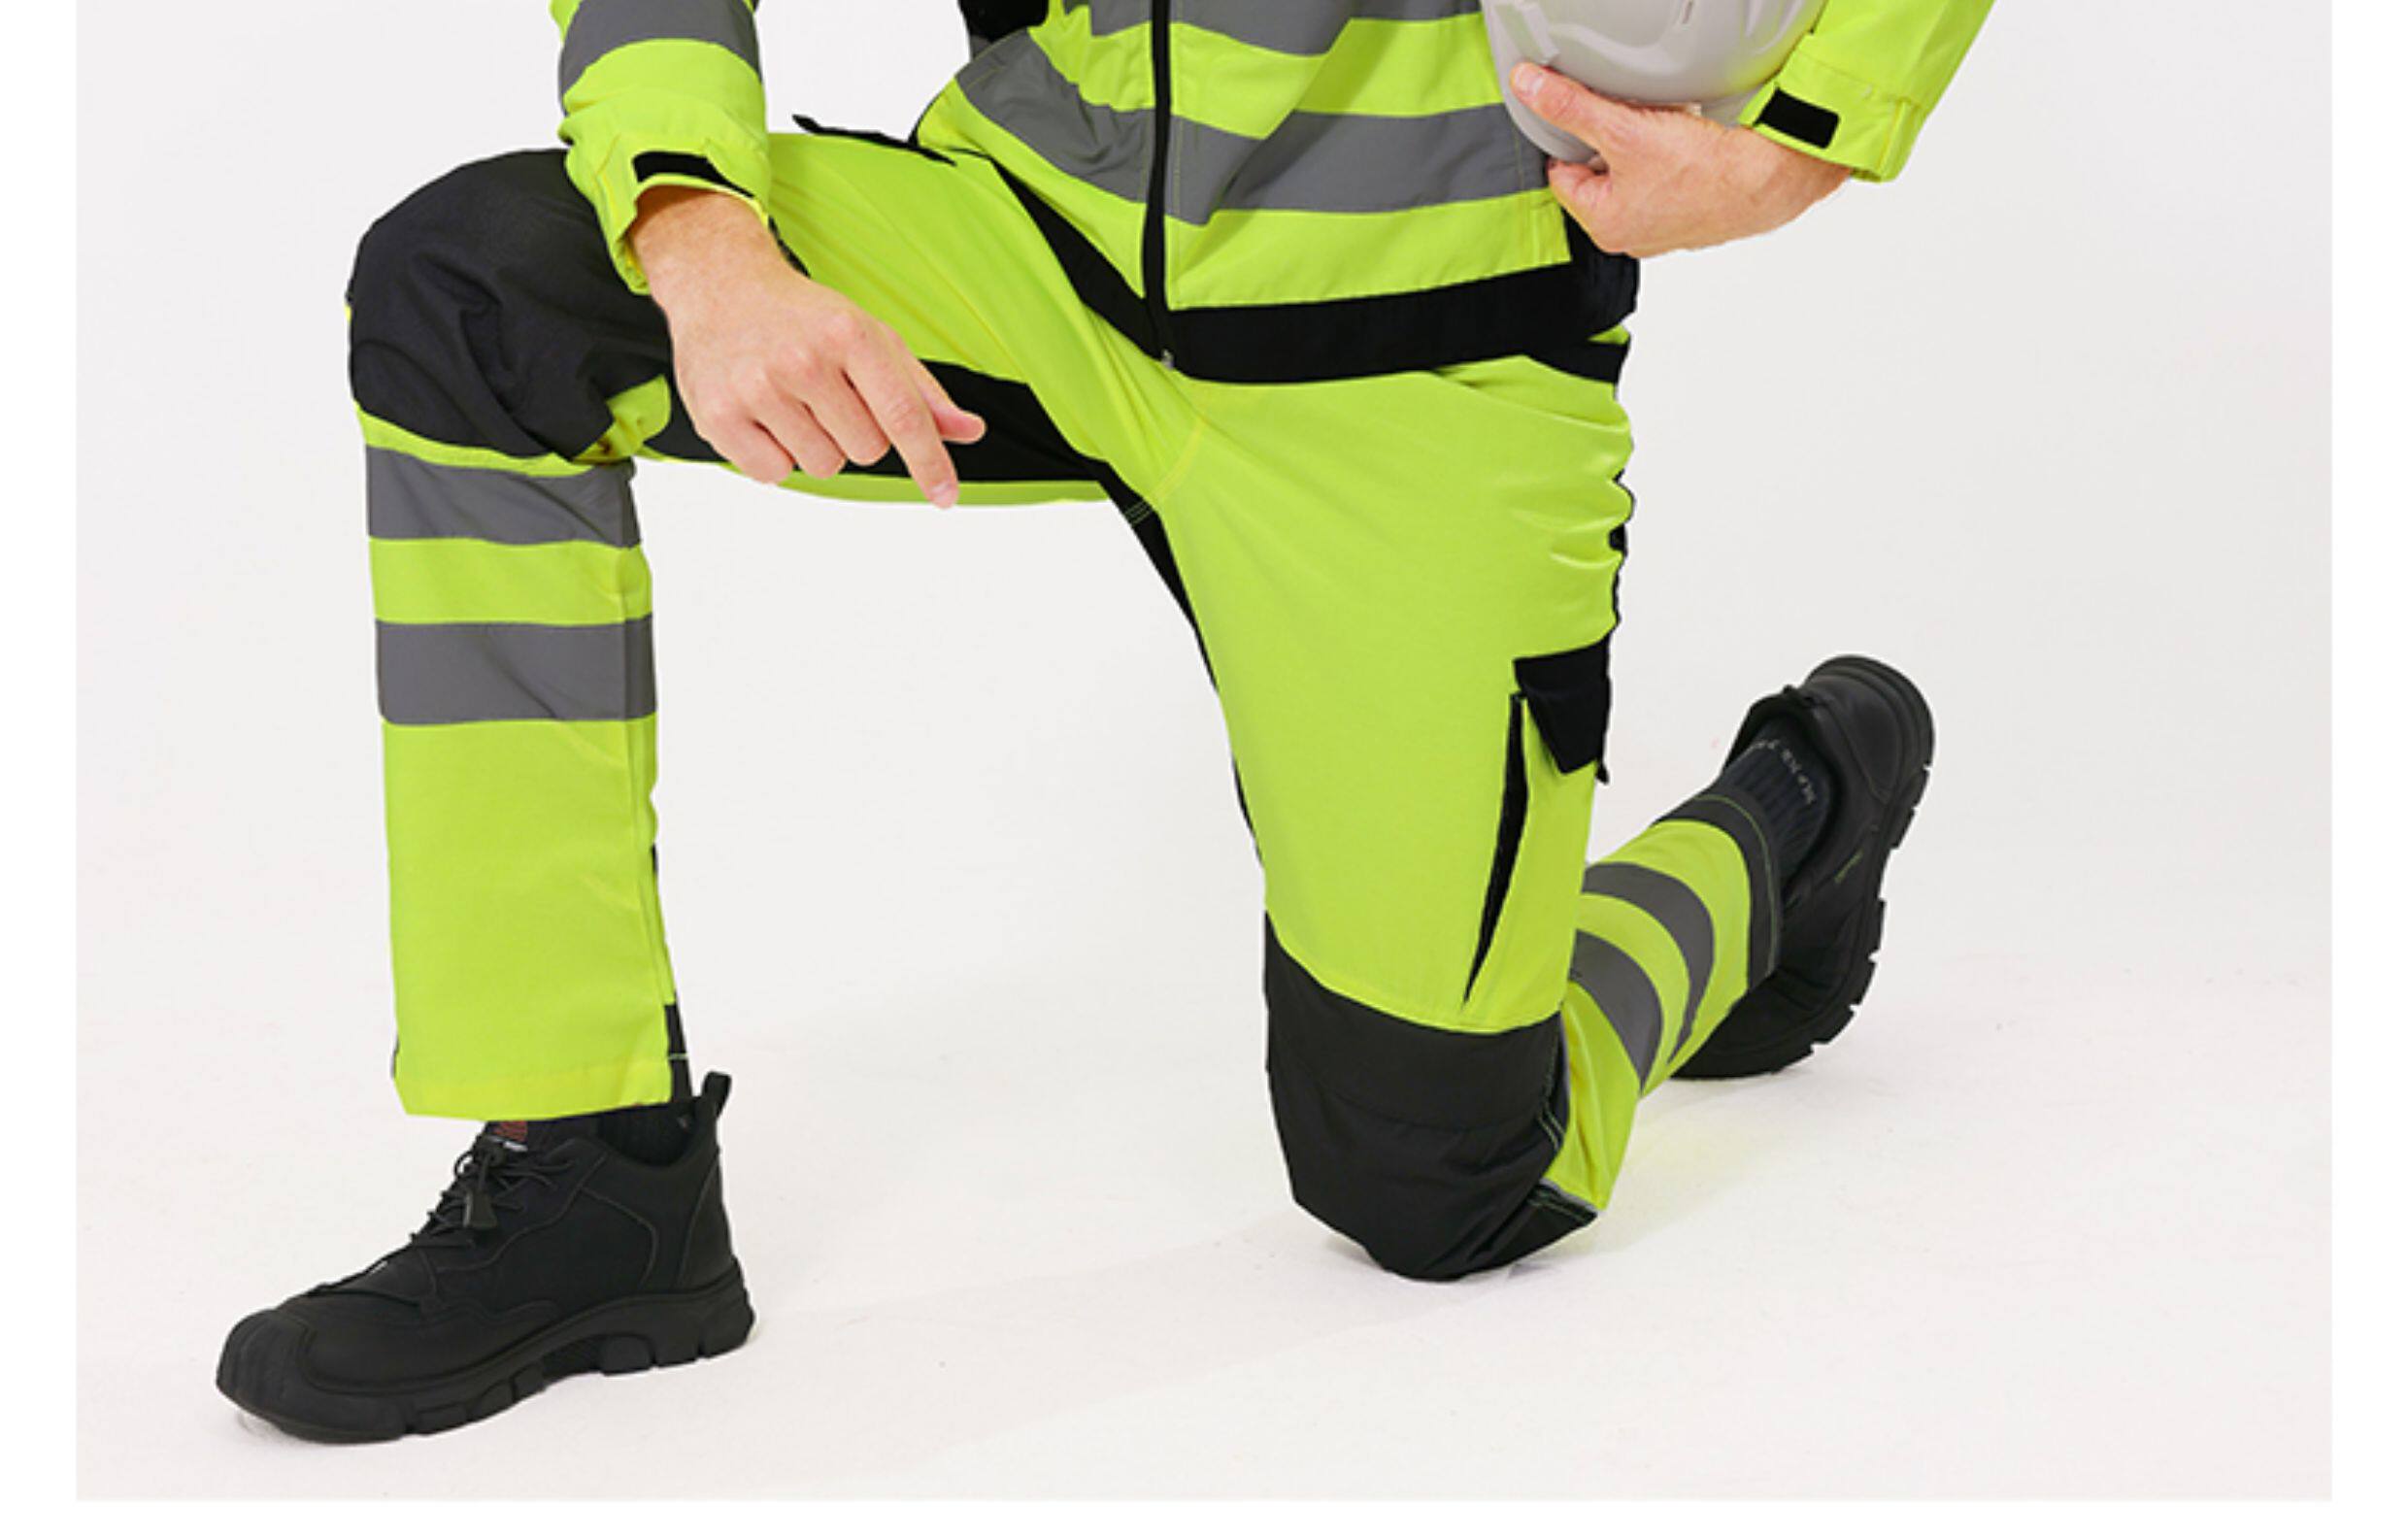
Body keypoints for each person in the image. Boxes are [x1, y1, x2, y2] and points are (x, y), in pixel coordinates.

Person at [217, 0, 1991, 1442]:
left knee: (1449, 1184)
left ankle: (1793, 820)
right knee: (478, 293)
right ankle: (586, 1175)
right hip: (1029, 249)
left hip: (1422, 347)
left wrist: (1806, 136)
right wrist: (696, 226)